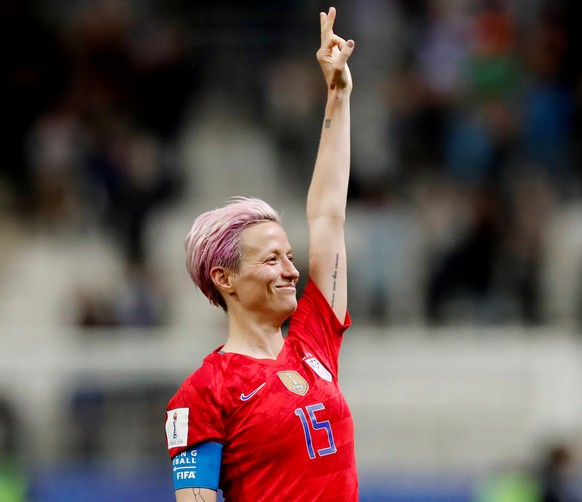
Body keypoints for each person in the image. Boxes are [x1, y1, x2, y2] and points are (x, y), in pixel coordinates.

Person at [164, 7, 356, 501]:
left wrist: (337, 97)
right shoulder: (205, 392)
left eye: (289, 255)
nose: (292, 270)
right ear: (224, 278)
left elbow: (329, 216)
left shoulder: (313, 343)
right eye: (271, 259)